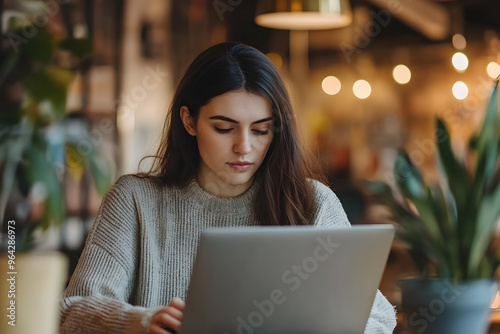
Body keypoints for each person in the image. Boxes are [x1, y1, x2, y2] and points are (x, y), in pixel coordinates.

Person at [59, 42, 397, 334]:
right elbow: (71, 314)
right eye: (224, 128)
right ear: (189, 121)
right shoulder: (135, 201)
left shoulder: (312, 203)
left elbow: (379, 316)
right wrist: (141, 322)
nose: (244, 147)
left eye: (261, 130)